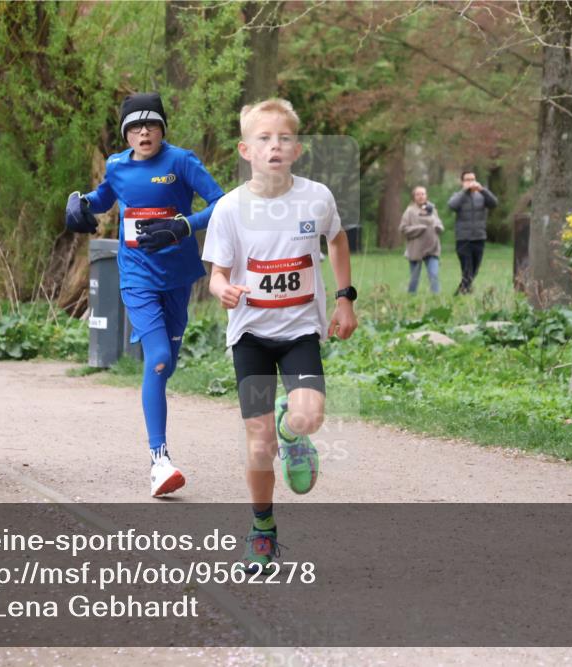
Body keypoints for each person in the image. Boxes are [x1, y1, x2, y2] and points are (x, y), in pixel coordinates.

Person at [202, 98, 358, 570]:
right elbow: (216, 274)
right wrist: (223, 289)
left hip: (299, 332)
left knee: (308, 417)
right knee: (257, 440)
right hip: (250, 334)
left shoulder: (316, 198)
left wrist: (345, 296)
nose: (275, 146)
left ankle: (295, 435)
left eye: (284, 138)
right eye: (264, 138)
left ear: (297, 148)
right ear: (245, 149)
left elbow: (337, 239)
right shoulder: (230, 209)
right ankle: (262, 530)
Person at [65, 92, 224, 497]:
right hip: (136, 276)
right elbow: (104, 198)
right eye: (134, 126)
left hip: (179, 276)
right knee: (156, 361)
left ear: (162, 128)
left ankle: (158, 427)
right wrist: (83, 205)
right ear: (126, 133)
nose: (143, 132)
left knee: (167, 364)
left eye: (151, 124)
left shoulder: (181, 162)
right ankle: (160, 460)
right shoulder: (117, 165)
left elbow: (223, 204)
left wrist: (184, 225)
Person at [447, 168, 498, 294]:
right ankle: (464, 293)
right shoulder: (458, 196)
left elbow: (494, 203)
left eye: (473, 179)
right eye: (467, 180)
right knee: (467, 269)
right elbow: (452, 205)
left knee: (475, 269)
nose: (471, 182)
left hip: (479, 238)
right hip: (463, 239)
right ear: (462, 182)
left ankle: (461, 292)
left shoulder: (482, 195)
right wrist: (464, 191)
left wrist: (483, 190)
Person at [399, 185, 444, 294]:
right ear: (414, 197)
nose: (421, 196)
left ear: (426, 195)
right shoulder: (410, 211)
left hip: (432, 249)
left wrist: (438, 227)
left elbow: (439, 225)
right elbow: (403, 229)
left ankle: (436, 299)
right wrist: (419, 228)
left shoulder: (432, 210)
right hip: (416, 250)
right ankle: (411, 298)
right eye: (418, 194)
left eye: (423, 194)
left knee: (434, 275)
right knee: (414, 278)